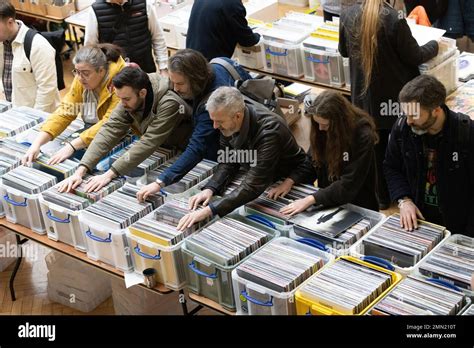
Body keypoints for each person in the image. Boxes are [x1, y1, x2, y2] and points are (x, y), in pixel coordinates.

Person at [339, 0, 439, 210]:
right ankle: (406, 196)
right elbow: (416, 56)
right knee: (400, 147)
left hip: (364, 100)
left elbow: (344, 51)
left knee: (376, 149)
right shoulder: (393, 18)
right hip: (394, 101)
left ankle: (383, 197)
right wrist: (435, 44)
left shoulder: (348, 15)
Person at [176, 86, 307, 230]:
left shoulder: (269, 130)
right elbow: (228, 161)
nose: (214, 126)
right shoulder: (228, 122)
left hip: (291, 180)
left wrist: (210, 210)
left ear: (237, 116)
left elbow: (253, 185)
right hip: (263, 178)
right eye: (213, 120)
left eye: (219, 121)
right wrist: (211, 188)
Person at [136, 49, 251, 202]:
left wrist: (160, 182)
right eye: (173, 81)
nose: (175, 88)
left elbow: (197, 148)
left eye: (180, 83)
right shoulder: (221, 62)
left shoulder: (210, 106)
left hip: (238, 152)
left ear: (196, 79)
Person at [59, 66, 190, 193]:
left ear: (142, 93)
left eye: (126, 99)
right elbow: (109, 130)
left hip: (184, 151)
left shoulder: (170, 103)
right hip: (161, 149)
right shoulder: (128, 96)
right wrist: (81, 170)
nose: (122, 103)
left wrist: (109, 174)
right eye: (119, 98)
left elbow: (149, 142)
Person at [384, 75, 474, 236]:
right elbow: (391, 166)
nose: (408, 121)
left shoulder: (467, 134)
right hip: (419, 223)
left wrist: (467, 238)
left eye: (414, 115)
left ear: (436, 110)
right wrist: (404, 200)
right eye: (406, 114)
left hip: (458, 227)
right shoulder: (402, 128)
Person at [267, 90, 379, 215]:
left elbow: (349, 184)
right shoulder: (321, 130)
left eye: (325, 125)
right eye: (317, 123)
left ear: (339, 122)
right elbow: (312, 161)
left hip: (358, 205)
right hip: (329, 200)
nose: (320, 129)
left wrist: (311, 199)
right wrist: (290, 181)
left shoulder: (362, 136)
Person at [22, 44, 126, 166]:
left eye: (86, 73)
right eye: (76, 72)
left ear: (101, 71)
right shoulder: (81, 77)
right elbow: (66, 112)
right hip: (93, 132)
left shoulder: (120, 82)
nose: (80, 78)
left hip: (121, 135)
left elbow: (110, 123)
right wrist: (37, 143)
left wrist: (72, 146)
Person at [0, 0, 59, 112]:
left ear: (10, 22)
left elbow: (47, 89)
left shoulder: (38, 45)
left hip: (36, 118)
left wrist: (34, 118)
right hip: (12, 113)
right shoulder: (2, 42)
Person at [85, 0, 168, 74]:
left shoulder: (145, 4)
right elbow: (91, 49)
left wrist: (163, 68)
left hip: (145, 69)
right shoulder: (95, 10)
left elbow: (158, 38)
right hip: (115, 74)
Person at [186, 0, 260, 61]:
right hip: (210, 64)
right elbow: (247, 40)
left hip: (191, 57)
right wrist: (259, 35)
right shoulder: (232, 3)